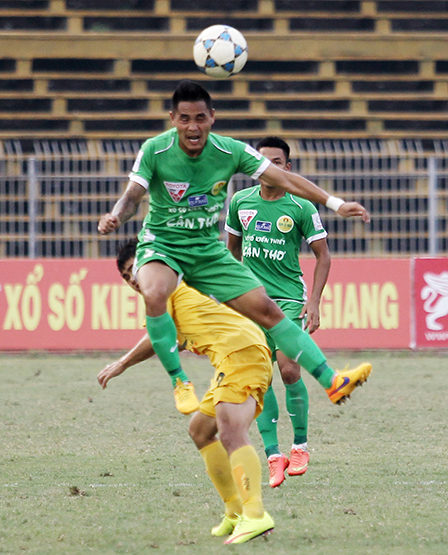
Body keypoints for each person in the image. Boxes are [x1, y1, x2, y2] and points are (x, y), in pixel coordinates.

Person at [98, 79, 372, 428]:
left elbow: (286, 179)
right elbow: (133, 196)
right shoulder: (155, 150)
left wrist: (335, 203)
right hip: (163, 244)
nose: (193, 127)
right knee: (154, 292)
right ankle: (180, 381)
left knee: (269, 311)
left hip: (206, 250)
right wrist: (116, 216)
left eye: (200, 118)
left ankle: (332, 380)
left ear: (212, 117)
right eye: (185, 119)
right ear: (173, 119)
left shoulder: (230, 151)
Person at [98, 238, 275, 544]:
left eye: (133, 270)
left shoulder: (164, 283)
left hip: (240, 352)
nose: (133, 280)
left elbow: (157, 337)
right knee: (200, 431)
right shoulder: (172, 291)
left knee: (232, 433)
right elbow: (168, 337)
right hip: (235, 355)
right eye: (126, 278)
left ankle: (255, 514)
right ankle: (235, 511)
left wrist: (122, 363)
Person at [226, 136, 331, 488]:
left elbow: (323, 255)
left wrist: (314, 301)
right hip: (251, 302)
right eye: (262, 161)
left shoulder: (301, 206)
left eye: (275, 162)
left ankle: (300, 446)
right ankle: (274, 456)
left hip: (287, 299)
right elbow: (232, 251)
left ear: (287, 167)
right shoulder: (240, 202)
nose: (268, 167)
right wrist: (231, 293)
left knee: (288, 369)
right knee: (259, 378)